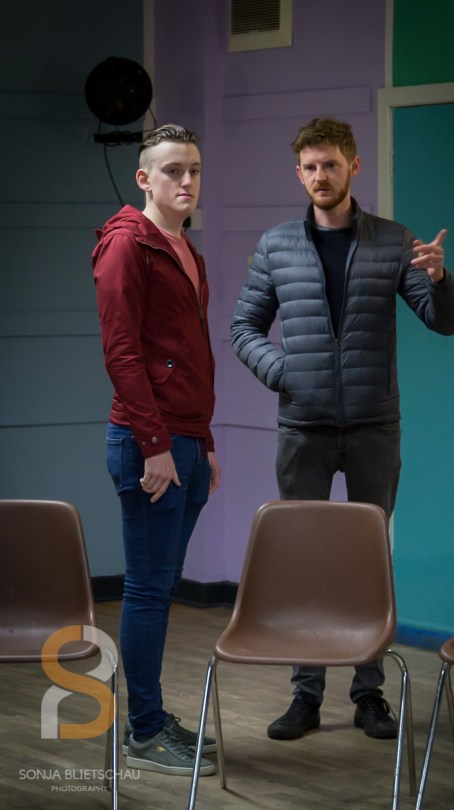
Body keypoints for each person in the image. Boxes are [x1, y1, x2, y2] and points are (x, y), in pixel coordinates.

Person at [230, 117, 454, 742]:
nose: (320, 176)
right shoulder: (277, 245)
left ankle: (369, 696)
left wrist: (439, 280)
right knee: (304, 559)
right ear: (298, 173)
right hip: (302, 428)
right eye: (309, 167)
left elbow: (443, 322)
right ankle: (305, 695)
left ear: (354, 166)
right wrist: (283, 371)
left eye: (330, 164)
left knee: (367, 561)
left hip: (372, 428)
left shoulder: (393, 241)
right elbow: (243, 329)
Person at [92, 124, 220, 777]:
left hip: (186, 442)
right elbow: (121, 354)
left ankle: (150, 716)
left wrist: (205, 441)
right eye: (173, 171)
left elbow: (192, 355)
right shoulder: (127, 244)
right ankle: (143, 732)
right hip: (151, 445)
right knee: (147, 590)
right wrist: (155, 446)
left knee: (162, 586)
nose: (186, 181)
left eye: (193, 169)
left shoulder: (184, 248)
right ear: (144, 178)